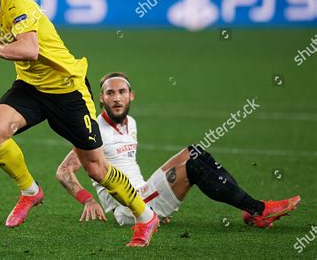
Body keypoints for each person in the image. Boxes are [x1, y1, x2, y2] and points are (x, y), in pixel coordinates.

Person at [0, 0, 158, 247]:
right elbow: (25, 58)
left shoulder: (19, 6)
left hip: (67, 89)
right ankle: (30, 191)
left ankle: (145, 217)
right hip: (31, 87)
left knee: (96, 169)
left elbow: (30, 50)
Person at [56, 72, 300, 228]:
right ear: (101, 99)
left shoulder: (131, 123)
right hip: (128, 209)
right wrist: (88, 200)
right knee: (192, 164)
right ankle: (259, 210)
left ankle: (249, 210)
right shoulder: (94, 131)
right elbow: (64, 171)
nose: (116, 98)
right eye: (110, 93)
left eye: (121, 92)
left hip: (145, 195)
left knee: (196, 153)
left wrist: (158, 195)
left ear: (132, 96)